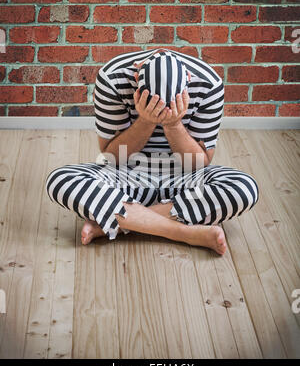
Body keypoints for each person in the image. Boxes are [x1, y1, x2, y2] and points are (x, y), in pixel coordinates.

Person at [46, 48, 259, 255]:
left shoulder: (209, 85)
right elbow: (112, 157)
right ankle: (182, 233)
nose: (161, 110)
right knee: (61, 180)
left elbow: (199, 164)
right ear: (137, 73)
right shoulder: (112, 79)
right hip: (126, 175)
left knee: (244, 188)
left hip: (184, 178)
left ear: (188, 78)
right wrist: (146, 121)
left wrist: (174, 125)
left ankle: (117, 224)